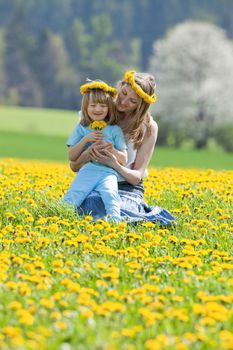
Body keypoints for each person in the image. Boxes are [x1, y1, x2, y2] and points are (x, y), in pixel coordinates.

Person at [69, 70, 175, 225]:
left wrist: (114, 163)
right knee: (92, 203)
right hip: (95, 181)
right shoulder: (97, 112)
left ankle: (128, 218)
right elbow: (74, 165)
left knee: (119, 208)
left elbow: (136, 177)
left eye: (132, 101)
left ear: (141, 106)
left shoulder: (148, 127)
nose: (124, 101)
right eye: (124, 93)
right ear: (120, 86)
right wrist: (88, 155)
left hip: (127, 187)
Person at [64, 79, 127, 222]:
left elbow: (124, 159)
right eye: (93, 105)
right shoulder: (81, 128)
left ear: (109, 108)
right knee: (75, 194)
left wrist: (113, 151)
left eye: (103, 106)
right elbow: (72, 156)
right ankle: (60, 218)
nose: (98, 109)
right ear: (85, 108)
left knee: (111, 195)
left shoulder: (115, 130)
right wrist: (86, 140)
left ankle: (115, 223)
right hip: (88, 170)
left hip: (108, 172)